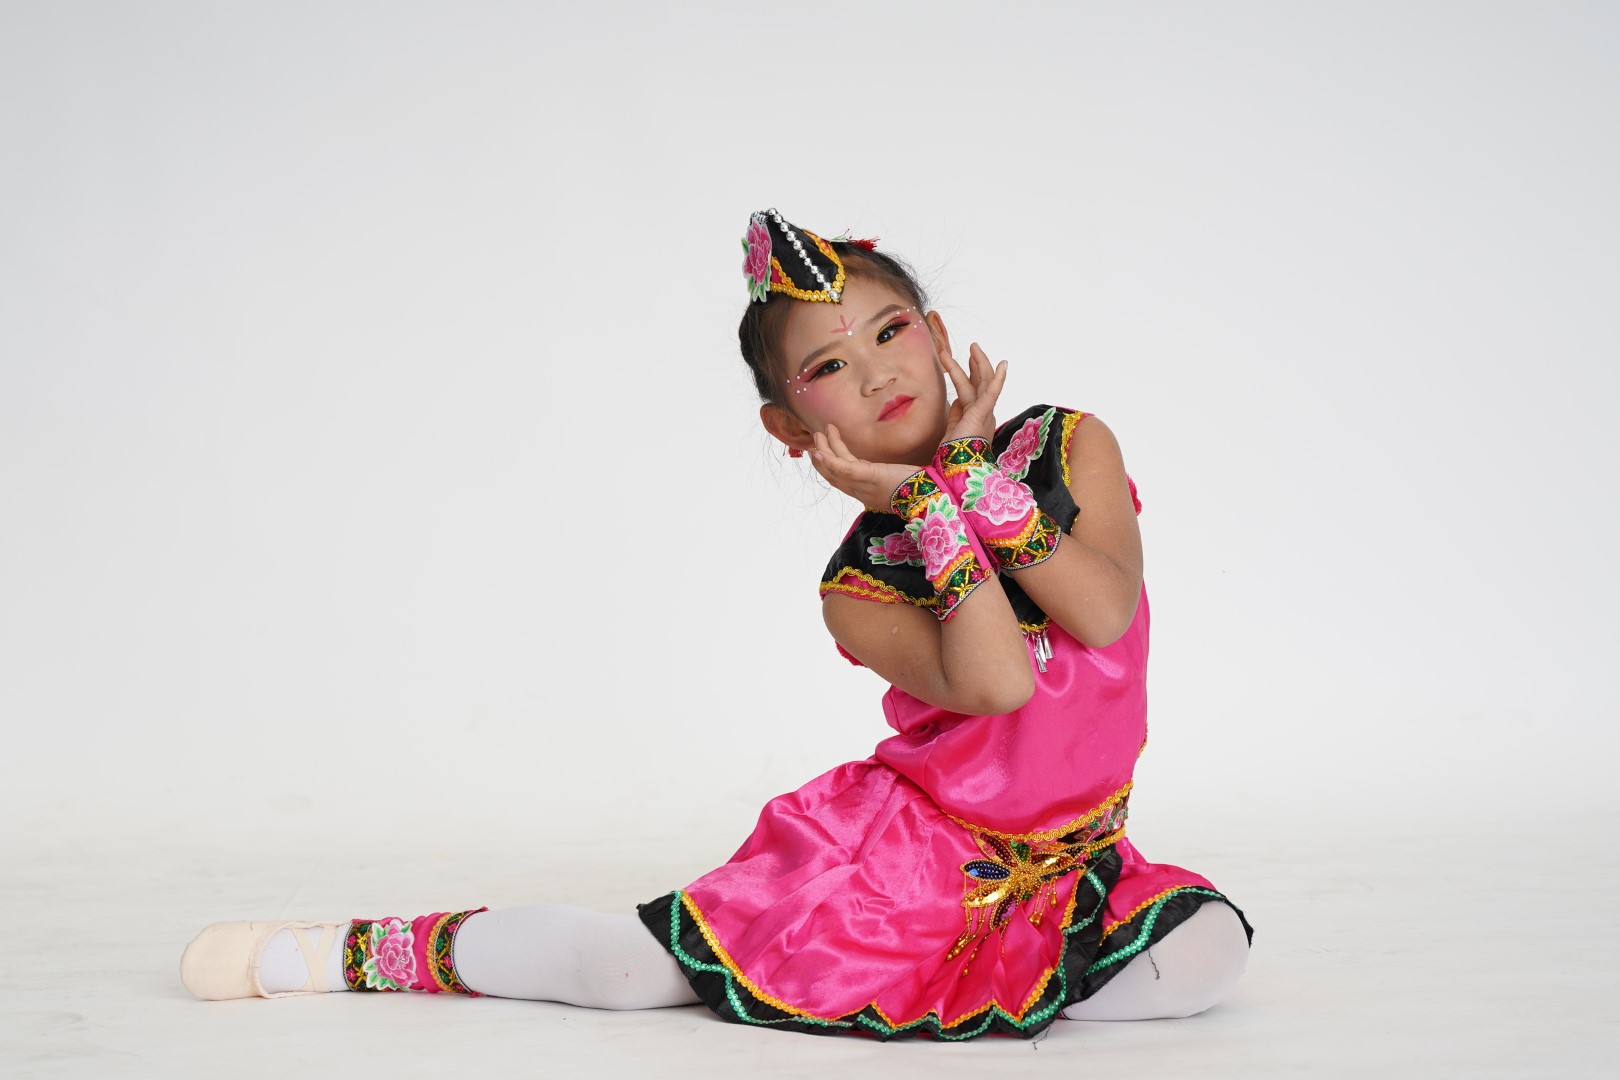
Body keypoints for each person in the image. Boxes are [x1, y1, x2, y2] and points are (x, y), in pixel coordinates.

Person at [180, 209, 1253, 1041]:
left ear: (936, 336)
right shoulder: (860, 585)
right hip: (906, 862)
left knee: (1206, 959)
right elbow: (999, 684)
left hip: (1076, 865)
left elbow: (1101, 610)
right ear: (791, 425)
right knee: (628, 975)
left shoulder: (1066, 446)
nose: (877, 370)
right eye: (829, 367)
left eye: (891, 331)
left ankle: (967, 988)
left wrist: (970, 473)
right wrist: (926, 502)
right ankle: (346, 952)